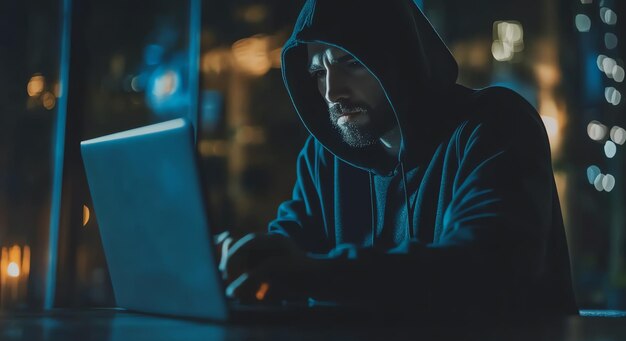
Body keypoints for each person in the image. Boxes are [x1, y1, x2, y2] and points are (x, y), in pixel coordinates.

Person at [218, 0, 578, 318]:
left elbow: (486, 267)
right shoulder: (325, 156)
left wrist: (313, 274)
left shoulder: (496, 124)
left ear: (399, 58)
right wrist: (248, 262)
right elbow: (291, 247)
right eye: (318, 71)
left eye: (351, 63)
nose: (331, 91)